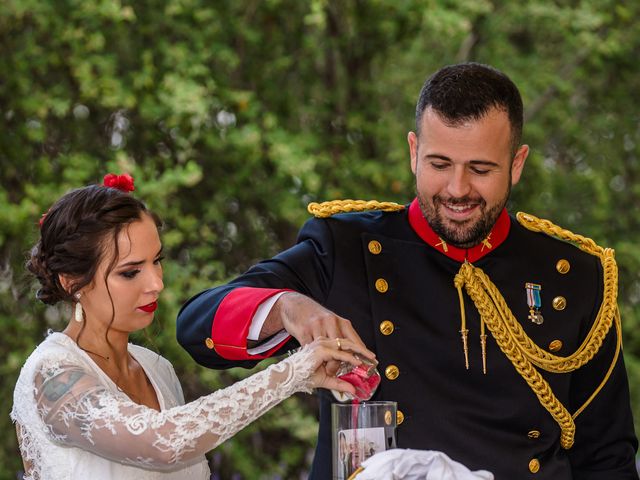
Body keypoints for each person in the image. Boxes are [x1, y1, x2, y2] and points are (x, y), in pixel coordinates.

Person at [176, 63, 639, 479]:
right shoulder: (345, 248)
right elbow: (197, 328)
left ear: (516, 164)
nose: (458, 189)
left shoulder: (576, 275)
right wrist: (287, 307)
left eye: (480, 169)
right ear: (414, 152)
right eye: (440, 164)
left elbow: (607, 458)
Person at [11, 174, 375, 480]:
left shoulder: (158, 371)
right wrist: (293, 373)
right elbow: (163, 444)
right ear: (72, 281)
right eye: (130, 272)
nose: (156, 283)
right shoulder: (52, 375)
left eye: (158, 261)